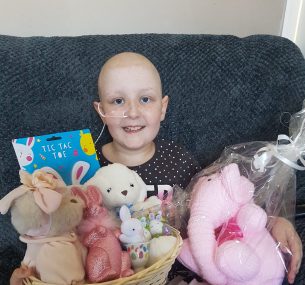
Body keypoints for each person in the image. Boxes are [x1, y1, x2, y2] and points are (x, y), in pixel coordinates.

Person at [10, 52, 302, 284]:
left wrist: (274, 222)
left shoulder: (178, 160)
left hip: (175, 273)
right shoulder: (90, 168)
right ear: (102, 110)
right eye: (118, 101)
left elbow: (219, 209)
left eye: (145, 99)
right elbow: (60, 229)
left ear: (162, 108)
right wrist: (31, 265)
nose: (133, 112)